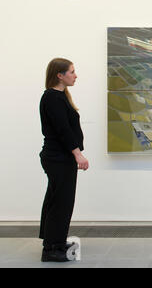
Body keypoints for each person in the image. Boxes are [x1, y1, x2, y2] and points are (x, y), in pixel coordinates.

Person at [38, 58, 89, 262]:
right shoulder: (53, 98)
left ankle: (54, 242)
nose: (75, 75)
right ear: (60, 75)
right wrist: (78, 154)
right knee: (61, 202)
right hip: (59, 158)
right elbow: (63, 130)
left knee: (56, 200)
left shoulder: (58, 96)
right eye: (72, 72)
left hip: (58, 157)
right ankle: (51, 250)